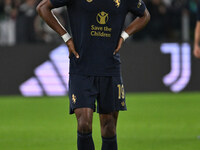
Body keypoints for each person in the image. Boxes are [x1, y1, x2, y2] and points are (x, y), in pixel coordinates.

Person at [37, 0, 150, 149]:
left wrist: (124, 36)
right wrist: (66, 38)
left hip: (109, 67)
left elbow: (145, 15)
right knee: (84, 123)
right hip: (81, 66)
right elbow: (42, 7)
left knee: (108, 126)